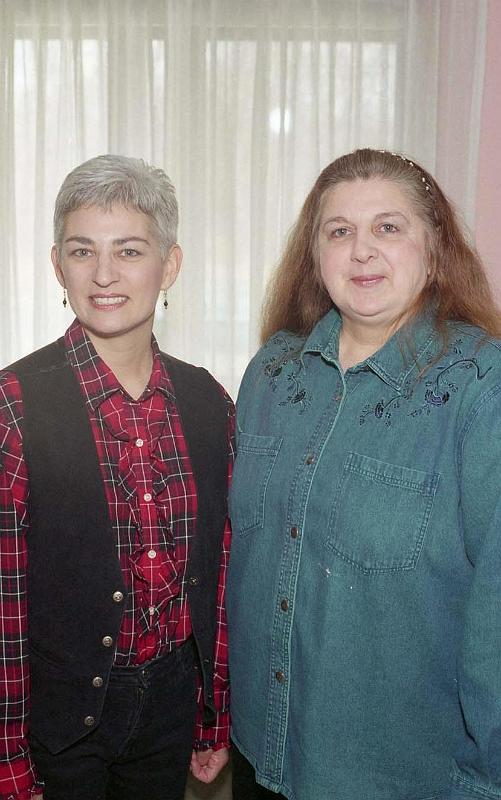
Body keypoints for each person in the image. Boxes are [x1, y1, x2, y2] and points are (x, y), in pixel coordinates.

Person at [227, 148, 501, 800]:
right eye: (338, 231)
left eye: (388, 227)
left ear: (434, 252)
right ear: (315, 258)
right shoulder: (270, 371)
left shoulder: (481, 389)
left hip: (400, 777)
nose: (360, 251)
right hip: (261, 754)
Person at [0, 155, 233, 800]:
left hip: (169, 706)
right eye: (83, 251)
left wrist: (214, 711)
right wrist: (8, 756)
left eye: (129, 250)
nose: (104, 275)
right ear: (57, 266)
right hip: (56, 721)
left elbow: (216, 570)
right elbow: (4, 597)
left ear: (171, 264)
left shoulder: (210, 401)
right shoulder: (15, 404)